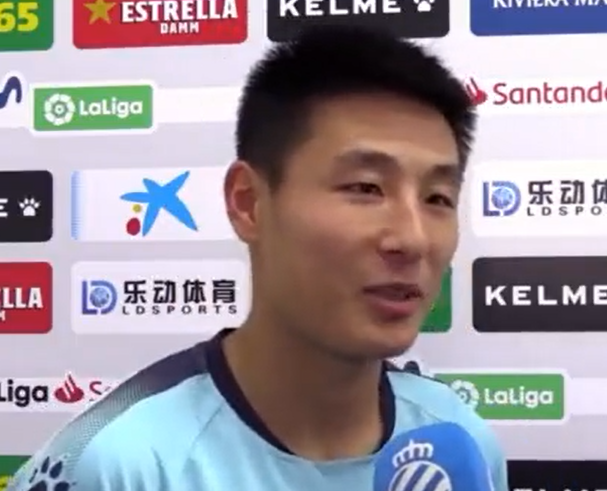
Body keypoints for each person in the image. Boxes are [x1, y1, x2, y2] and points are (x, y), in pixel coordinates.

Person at [7, 24, 509, 491]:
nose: (413, 239)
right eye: (366, 187)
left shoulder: (456, 440)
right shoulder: (117, 463)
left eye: (438, 197)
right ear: (248, 203)